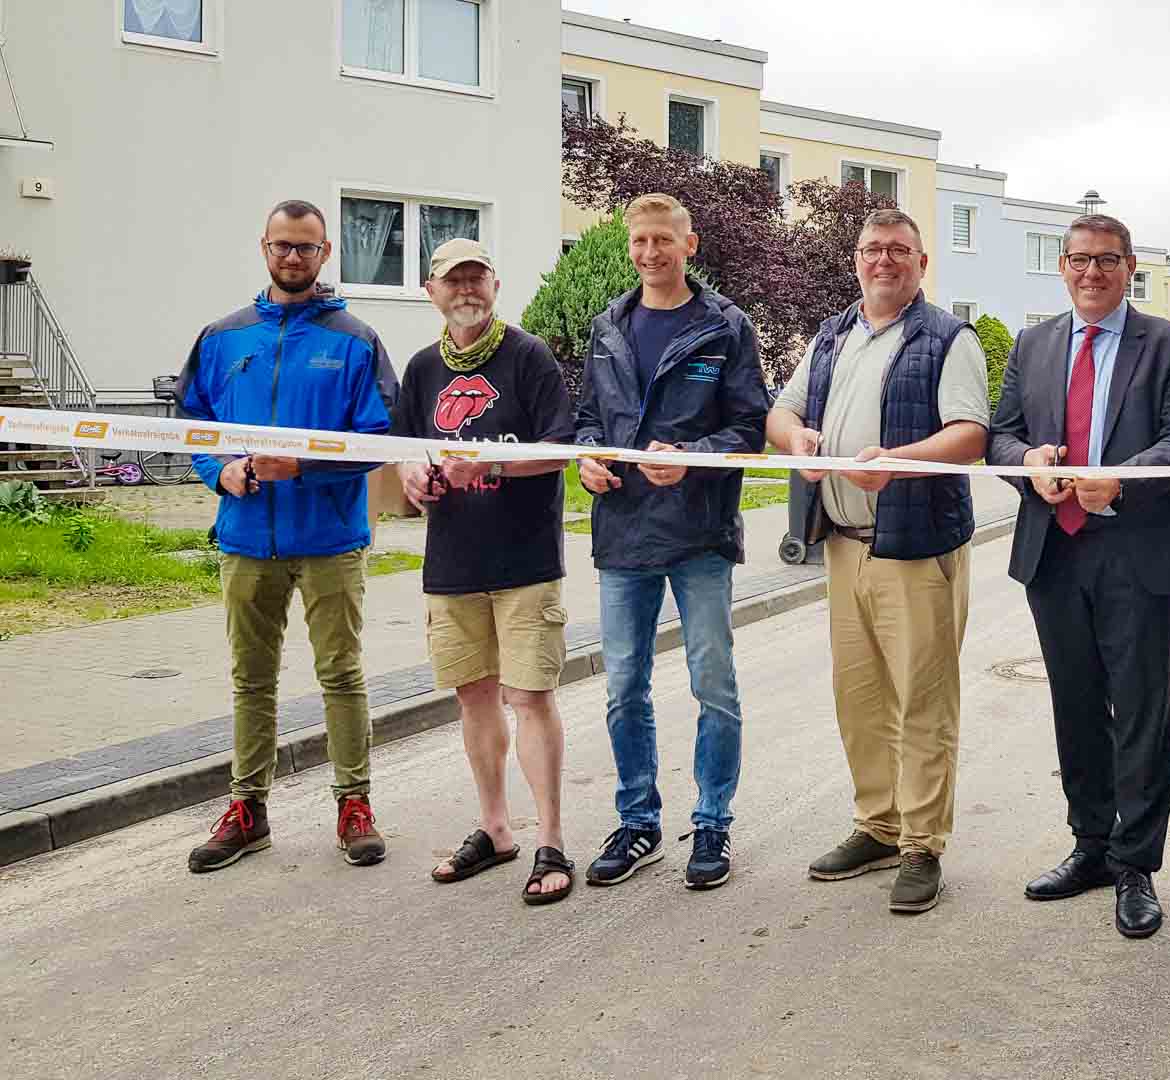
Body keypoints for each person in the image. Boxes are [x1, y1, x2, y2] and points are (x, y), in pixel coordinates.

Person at [986, 213, 1170, 940]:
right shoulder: (1034, 343)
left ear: (1129, 267)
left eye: (1107, 261)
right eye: (1080, 260)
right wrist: (1029, 464)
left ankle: (1136, 864)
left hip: (1137, 545)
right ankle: (1090, 845)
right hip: (1054, 547)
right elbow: (1000, 433)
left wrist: (1122, 479)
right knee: (1075, 704)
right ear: (1062, 266)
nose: (1092, 273)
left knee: (1142, 709)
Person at [765, 209, 990, 914]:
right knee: (860, 700)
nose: (882, 260)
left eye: (898, 250)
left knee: (923, 702)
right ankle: (879, 826)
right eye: (871, 250)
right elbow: (782, 411)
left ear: (922, 263)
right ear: (856, 260)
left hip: (916, 548)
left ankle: (923, 845)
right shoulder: (832, 335)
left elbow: (970, 435)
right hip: (843, 544)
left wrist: (898, 461)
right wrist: (795, 440)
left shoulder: (948, 338)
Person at [175, 199, 397, 873]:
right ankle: (249, 810)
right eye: (281, 246)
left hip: (329, 537)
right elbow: (192, 426)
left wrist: (301, 465)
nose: (292, 258)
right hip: (246, 538)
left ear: (325, 253)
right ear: (263, 248)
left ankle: (353, 804)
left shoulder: (354, 338)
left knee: (340, 674)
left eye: (305, 247)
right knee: (251, 680)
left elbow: (379, 439)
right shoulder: (222, 337)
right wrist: (222, 473)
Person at [575, 194, 768, 892]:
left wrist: (693, 455)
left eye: (663, 240)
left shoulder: (726, 326)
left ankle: (712, 821)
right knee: (624, 686)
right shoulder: (608, 326)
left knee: (711, 683)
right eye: (639, 242)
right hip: (622, 531)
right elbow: (588, 418)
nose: (650, 253)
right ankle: (638, 821)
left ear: (690, 244)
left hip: (699, 532)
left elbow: (751, 427)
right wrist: (588, 457)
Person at [390, 239, 577, 904]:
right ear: (431, 291)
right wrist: (415, 478)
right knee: (473, 697)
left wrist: (491, 466)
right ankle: (496, 829)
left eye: (477, 277)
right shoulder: (418, 371)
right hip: (453, 562)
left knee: (529, 699)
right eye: (452, 280)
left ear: (495, 284)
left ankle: (550, 838)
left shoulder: (527, 357)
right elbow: (402, 454)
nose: (465, 289)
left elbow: (561, 450)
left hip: (524, 561)